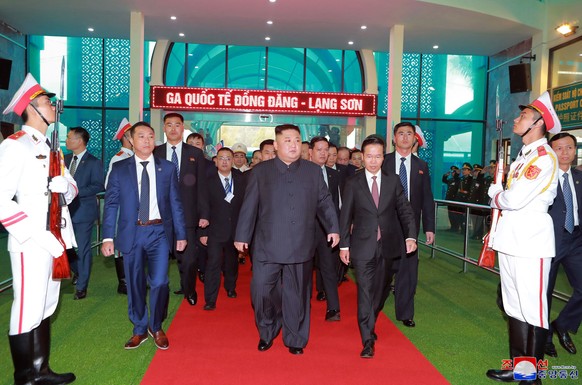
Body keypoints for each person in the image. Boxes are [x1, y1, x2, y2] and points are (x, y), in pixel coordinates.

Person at [235, 124, 339, 355]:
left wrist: (333, 227)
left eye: (296, 140)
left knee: (298, 295)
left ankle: (295, 339)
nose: (293, 145)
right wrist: (242, 235)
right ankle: (268, 329)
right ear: (276, 145)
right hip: (266, 243)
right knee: (261, 290)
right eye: (288, 140)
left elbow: (324, 201)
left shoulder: (312, 171)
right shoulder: (261, 172)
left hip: (301, 243)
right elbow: (249, 205)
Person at [1, 73, 77, 384]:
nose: (53, 107)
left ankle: (41, 369)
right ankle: (24, 376)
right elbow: (2, 200)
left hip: (55, 235)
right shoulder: (15, 145)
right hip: (31, 239)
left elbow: (72, 192)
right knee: (27, 306)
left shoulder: (52, 146)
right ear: (31, 107)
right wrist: (37, 234)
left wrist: (64, 188)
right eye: (47, 102)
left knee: (46, 303)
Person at [486, 92, 560, 384]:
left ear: (538, 123)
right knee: (513, 306)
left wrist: (495, 195)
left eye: (523, 116)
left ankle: (533, 376)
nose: (517, 120)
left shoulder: (543, 157)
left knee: (534, 310)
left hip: (531, 242)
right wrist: (501, 197)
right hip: (512, 239)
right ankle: (520, 368)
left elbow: (513, 199)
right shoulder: (524, 155)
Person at [101, 121, 187, 351]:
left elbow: (175, 203)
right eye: (141, 136)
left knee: (160, 281)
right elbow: (110, 205)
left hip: (159, 232)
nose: (147, 140)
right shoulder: (120, 169)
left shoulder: (167, 168)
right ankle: (139, 328)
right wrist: (107, 236)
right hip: (133, 233)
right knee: (135, 283)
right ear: (131, 140)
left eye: (151, 136)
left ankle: (156, 326)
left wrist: (181, 233)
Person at [340, 135, 417, 358]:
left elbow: (405, 210)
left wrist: (410, 236)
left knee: (380, 291)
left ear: (383, 157)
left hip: (389, 246)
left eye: (378, 156)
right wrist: (344, 245)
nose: (373, 161)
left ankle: (370, 318)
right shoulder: (353, 183)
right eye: (369, 156)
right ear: (362, 157)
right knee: (365, 291)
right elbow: (345, 216)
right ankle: (367, 339)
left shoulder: (393, 180)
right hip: (362, 247)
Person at [381, 122, 435, 328]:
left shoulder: (421, 166)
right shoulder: (383, 162)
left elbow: (427, 198)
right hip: (385, 225)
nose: (404, 137)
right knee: (383, 271)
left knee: (408, 271)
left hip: (410, 227)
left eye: (409, 134)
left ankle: (405, 313)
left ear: (414, 139)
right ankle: (375, 305)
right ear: (394, 139)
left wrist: (429, 226)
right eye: (400, 134)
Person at [153, 112, 209, 306]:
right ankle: (162, 292)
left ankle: (189, 289)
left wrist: (204, 215)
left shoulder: (195, 153)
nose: (173, 129)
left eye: (177, 125)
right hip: (160, 215)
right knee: (165, 256)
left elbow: (202, 186)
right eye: (169, 125)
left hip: (189, 214)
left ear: (183, 127)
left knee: (190, 258)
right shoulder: (155, 152)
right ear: (164, 127)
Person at [545, 132, 582, 358]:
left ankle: (562, 324)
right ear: (551, 151)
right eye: (559, 148)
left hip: (575, 240)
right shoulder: (543, 178)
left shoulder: (579, 177)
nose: (564, 152)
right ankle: (545, 339)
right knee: (544, 294)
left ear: (575, 150)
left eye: (569, 147)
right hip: (548, 241)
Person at [199, 147, 247, 310]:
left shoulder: (241, 179)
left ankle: (230, 287)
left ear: (233, 160)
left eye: (228, 158)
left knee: (231, 262)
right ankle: (210, 299)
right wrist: (203, 232)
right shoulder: (208, 179)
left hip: (235, 229)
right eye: (221, 158)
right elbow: (203, 205)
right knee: (213, 263)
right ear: (216, 161)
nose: (225, 161)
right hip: (214, 230)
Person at [64, 126, 104, 300]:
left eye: (69, 137)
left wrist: (73, 190)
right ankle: (79, 270)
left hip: (83, 212)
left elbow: (98, 185)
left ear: (79, 141)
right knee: (64, 248)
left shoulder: (94, 162)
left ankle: (82, 286)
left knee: (83, 249)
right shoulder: (63, 160)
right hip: (63, 213)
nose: (66, 140)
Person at [309, 136, 342, 321]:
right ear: (310, 152)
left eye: (325, 150)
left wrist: (337, 228)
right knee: (304, 270)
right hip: (305, 230)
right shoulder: (302, 172)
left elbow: (338, 204)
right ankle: (302, 305)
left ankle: (333, 308)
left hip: (327, 231)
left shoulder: (334, 175)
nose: (323, 153)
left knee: (329, 268)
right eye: (319, 149)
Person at [105, 118, 134, 295]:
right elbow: (110, 186)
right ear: (127, 137)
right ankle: (123, 282)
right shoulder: (119, 158)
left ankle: (133, 278)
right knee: (121, 245)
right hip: (122, 210)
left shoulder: (133, 156)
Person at [442, 166, 461, 231]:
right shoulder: (451, 180)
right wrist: (445, 175)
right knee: (450, 214)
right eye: (452, 172)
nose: (452, 173)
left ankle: (456, 227)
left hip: (454, 199)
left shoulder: (458, 180)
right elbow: (444, 180)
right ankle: (452, 226)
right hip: (449, 199)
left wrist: (457, 174)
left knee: (455, 214)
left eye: (454, 172)